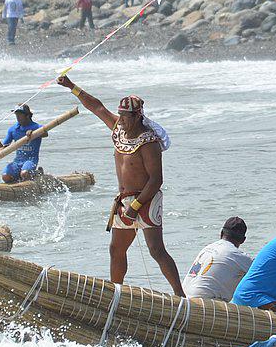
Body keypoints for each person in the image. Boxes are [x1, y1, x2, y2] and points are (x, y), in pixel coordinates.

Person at [57, 77, 185, 294]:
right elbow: (96, 107)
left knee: (156, 250)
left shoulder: (148, 142)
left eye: (126, 116)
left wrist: (135, 207)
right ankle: (116, 293)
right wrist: (71, 86)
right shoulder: (118, 128)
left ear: (138, 116)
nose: (122, 120)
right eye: (121, 115)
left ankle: (180, 295)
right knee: (116, 249)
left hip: (146, 198)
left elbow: (156, 180)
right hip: (124, 200)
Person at [182, 217, 253, 301]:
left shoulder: (207, 248)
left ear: (221, 233)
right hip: (204, 303)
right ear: (243, 240)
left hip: (183, 298)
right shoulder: (240, 257)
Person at [0, 103, 43, 182]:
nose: (17, 117)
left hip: (31, 160)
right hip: (18, 161)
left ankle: (37, 173)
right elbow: (5, 145)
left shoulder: (36, 127)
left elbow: (45, 133)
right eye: (16, 115)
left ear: (27, 116)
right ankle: (18, 180)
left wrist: (34, 133)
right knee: (5, 177)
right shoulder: (13, 129)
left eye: (20, 115)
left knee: (24, 173)